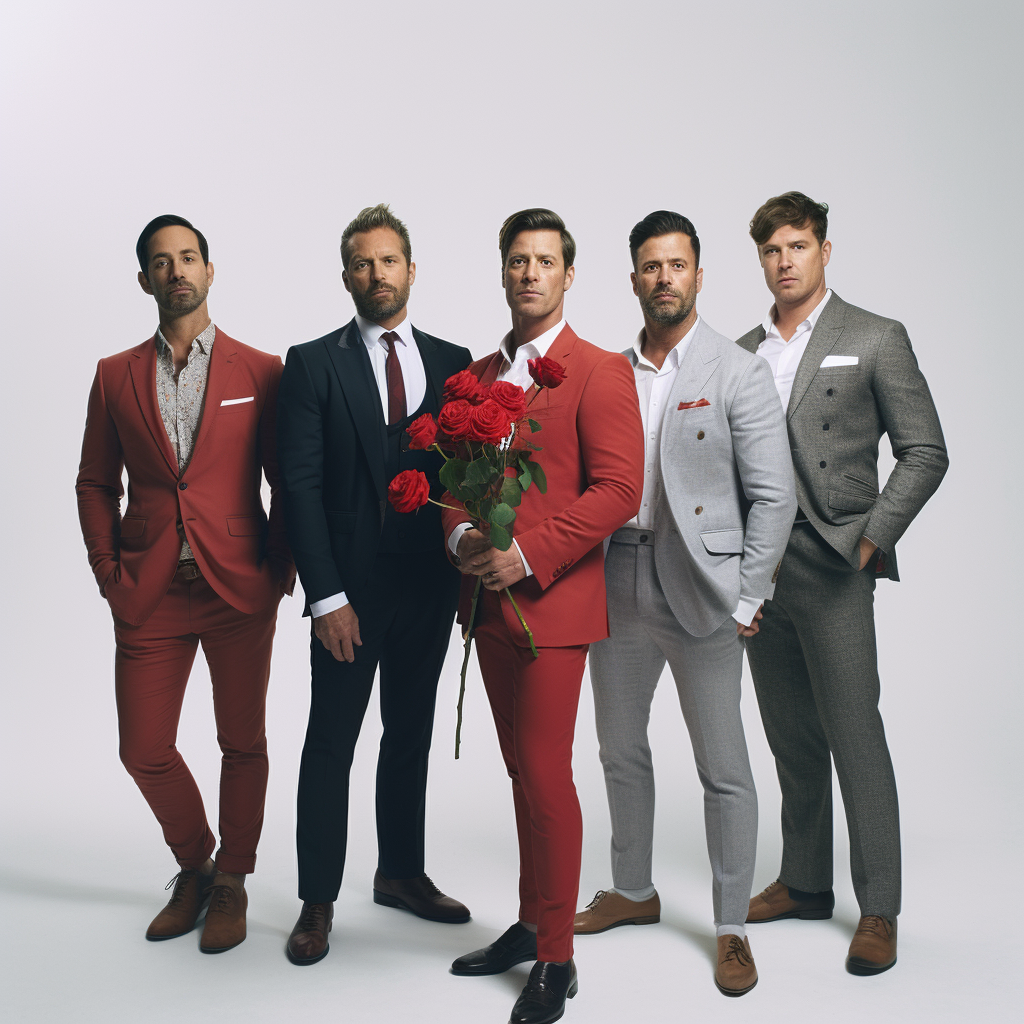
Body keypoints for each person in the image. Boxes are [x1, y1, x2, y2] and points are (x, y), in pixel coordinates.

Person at [573, 211, 796, 996]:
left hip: (703, 590)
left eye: (677, 265)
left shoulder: (737, 371)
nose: (664, 278)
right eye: (650, 266)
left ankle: (731, 925)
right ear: (634, 279)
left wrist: (748, 596)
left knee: (724, 768)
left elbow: (774, 495)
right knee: (618, 748)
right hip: (616, 577)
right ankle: (633, 889)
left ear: (699, 275)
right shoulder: (606, 370)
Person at [737, 191, 948, 975]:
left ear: (824, 250)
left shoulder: (874, 336)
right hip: (762, 571)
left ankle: (880, 909)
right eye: (770, 250)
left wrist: (867, 544)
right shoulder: (741, 347)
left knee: (855, 736)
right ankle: (803, 882)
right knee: (791, 737)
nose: (783, 261)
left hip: (834, 566)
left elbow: (925, 451)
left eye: (797, 246)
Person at [445, 209, 644, 1024]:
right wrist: (459, 534)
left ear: (568, 276)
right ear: (501, 272)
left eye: (546, 261)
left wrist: (526, 556)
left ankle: (557, 960)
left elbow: (620, 491)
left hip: (552, 609)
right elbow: (454, 477)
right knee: (522, 773)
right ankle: (531, 924)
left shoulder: (598, 371)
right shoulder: (479, 371)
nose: (530, 273)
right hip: (486, 607)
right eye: (518, 260)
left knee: (548, 776)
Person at [76, 214, 294, 953]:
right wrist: (109, 571)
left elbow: (286, 481)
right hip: (149, 589)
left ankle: (233, 880)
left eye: (189, 257)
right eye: (162, 262)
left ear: (209, 269)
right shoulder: (114, 374)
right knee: (143, 747)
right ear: (145, 280)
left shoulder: (262, 371)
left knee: (242, 741)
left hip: (239, 588)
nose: (178, 271)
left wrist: (280, 568)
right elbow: (95, 481)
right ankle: (196, 864)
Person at [277, 204, 472, 966]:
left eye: (388, 261)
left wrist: (465, 577)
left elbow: (463, 477)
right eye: (362, 263)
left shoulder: (455, 361)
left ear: (411, 270)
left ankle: (399, 872)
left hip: (429, 586)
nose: (376, 274)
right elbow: (297, 486)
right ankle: (317, 900)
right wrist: (326, 597)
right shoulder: (313, 363)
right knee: (332, 741)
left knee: (411, 734)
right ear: (346, 276)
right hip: (349, 596)